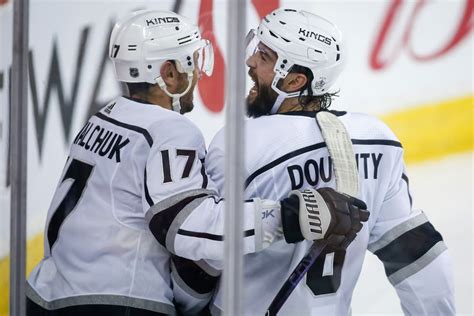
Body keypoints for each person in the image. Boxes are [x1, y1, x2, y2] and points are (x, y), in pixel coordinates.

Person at [26, 10, 369, 316]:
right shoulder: (169, 129)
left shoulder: (102, 119)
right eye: (193, 60)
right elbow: (185, 225)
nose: (201, 74)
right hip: (116, 302)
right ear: (169, 74)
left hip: (44, 293)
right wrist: (289, 216)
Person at [200, 8, 456, 315]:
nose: (250, 61)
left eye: (264, 56)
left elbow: (201, 258)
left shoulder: (240, 144)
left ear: (294, 81)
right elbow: (418, 256)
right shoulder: (378, 141)